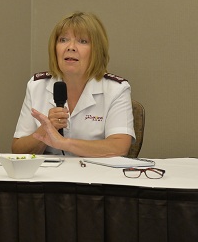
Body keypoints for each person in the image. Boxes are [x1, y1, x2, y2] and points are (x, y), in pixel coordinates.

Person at [11, 11, 135, 157]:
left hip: (94, 176)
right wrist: (45, 129)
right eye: (63, 40)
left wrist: (64, 142)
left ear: (97, 50)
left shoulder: (116, 89)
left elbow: (118, 148)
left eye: (82, 41)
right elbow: (18, 150)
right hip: (48, 177)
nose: (70, 47)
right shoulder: (37, 85)